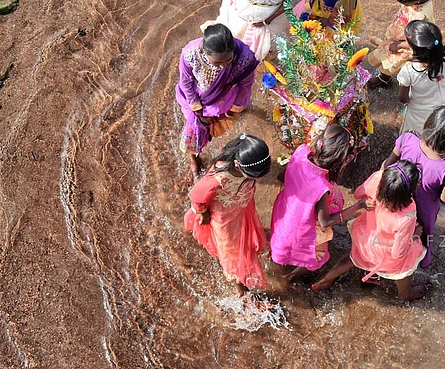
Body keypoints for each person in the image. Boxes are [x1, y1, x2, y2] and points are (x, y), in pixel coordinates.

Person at [311, 160, 427, 301]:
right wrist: (414, 235)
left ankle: (325, 280)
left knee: (352, 258)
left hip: (364, 238)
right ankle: (405, 294)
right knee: (402, 270)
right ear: (409, 192)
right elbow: (398, 253)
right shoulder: (408, 213)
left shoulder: (377, 178)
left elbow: (358, 194)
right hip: (385, 253)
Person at [270, 125, 369, 279]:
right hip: (305, 227)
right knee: (316, 257)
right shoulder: (322, 187)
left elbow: (281, 177)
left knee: (281, 243)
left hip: (285, 212)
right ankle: (291, 277)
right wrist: (359, 205)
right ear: (340, 160)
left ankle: (275, 264)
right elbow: (325, 222)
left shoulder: (302, 152)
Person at [183, 134, 272, 295]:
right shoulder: (219, 177)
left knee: (245, 239)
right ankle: (241, 290)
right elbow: (196, 194)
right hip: (225, 219)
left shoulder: (251, 166)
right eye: (252, 175)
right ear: (237, 164)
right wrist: (203, 213)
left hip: (243, 209)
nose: (256, 178)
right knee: (231, 251)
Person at [382, 106, 445, 268]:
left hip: (396, 195)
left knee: (392, 227)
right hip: (423, 211)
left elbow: (387, 164)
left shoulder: (407, 138)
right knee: (423, 235)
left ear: (428, 123)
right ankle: (420, 261)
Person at [176, 23, 258, 182]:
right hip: (197, 100)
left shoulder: (244, 57)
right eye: (217, 63)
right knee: (194, 131)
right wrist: (198, 110)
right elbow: (185, 82)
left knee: (215, 126)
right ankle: (194, 161)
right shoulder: (190, 54)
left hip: (225, 99)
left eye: (228, 60)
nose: (223, 67)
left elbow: (245, 85)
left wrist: (233, 109)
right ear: (204, 51)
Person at [366, 0, 435, 89]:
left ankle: (384, 78)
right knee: (386, 55)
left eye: (404, 2)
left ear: (416, 1)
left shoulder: (421, 17)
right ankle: (385, 76)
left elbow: (416, 41)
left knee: (391, 61)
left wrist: (398, 45)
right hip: (403, 31)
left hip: (406, 44)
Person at [397, 20, 445, 133]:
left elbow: (403, 98)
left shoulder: (409, 70)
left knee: (415, 138)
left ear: (413, 48)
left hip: (421, 118)